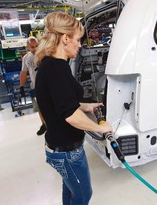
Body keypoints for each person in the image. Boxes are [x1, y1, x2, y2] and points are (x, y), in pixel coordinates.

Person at [34, 11, 114, 205]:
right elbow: (70, 116)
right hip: (67, 152)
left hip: (60, 148)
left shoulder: (51, 65)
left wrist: (85, 106)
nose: (80, 45)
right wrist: (101, 128)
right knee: (83, 195)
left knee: (70, 191)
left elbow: (61, 102)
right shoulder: (56, 69)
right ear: (65, 38)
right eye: (78, 40)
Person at [20, 36, 47, 136]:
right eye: (32, 47)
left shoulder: (45, 54)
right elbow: (23, 72)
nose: (35, 49)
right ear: (27, 47)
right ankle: (44, 124)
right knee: (40, 108)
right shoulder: (26, 58)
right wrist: (21, 86)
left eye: (36, 46)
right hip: (35, 86)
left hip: (48, 85)